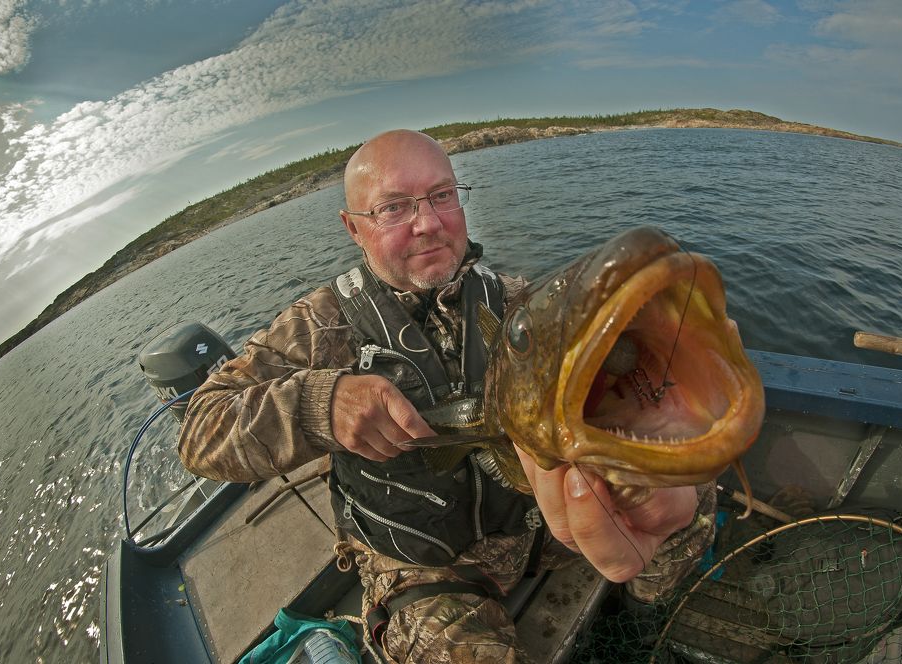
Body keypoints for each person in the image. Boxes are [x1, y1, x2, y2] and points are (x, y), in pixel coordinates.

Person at [178, 129, 716, 663]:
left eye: (442, 196)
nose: (428, 223)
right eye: (393, 208)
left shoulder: (510, 300)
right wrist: (324, 404)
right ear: (354, 229)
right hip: (424, 564)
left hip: (536, 528)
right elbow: (202, 430)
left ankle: (645, 624)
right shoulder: (321, 326)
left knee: (689, 495)